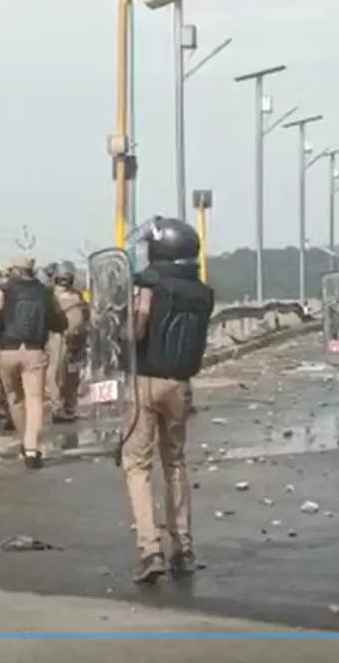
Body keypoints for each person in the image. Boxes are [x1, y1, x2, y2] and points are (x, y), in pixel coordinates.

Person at [121, 217, 214, 584]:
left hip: (145, 382)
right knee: (175, 463)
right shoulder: (203, 292)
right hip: (180, 385)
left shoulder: (150, 284)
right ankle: (184, 548)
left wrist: (123, 327)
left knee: (137, 465)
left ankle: (149, 549)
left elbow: (138, 327)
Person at [0, 255, 66, 469]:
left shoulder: (2, 290)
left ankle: (24, 440)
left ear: (13, 269)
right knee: (34, 399)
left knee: (14, 398)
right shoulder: (44, 292)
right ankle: (32, 448)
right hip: (34, 350)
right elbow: (60, 322)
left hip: (8, 351)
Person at [46, 261, 89, 422]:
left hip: (77, 340)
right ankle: (57, 407)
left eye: (67, 278)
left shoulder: (77, 295)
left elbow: (85, 313)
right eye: (62, 277)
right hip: (59, 339)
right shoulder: (51, 296)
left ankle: (70, 407)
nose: (65, 281)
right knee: (57, 373)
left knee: (73, 374)